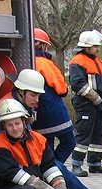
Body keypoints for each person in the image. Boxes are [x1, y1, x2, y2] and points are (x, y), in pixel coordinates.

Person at [0, 69, 102, 189]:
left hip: (24, 161)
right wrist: (5, 161)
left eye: (38, 95)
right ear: (22, 92)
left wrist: (57, 183)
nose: (37, 100)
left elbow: (28, 141)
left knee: (54, 169)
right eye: (34, 95)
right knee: (51, 173)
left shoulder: (20, 104)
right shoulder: (7, 109)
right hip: (9, 164)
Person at [0, 98, 66, 189]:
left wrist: (59, 185)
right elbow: (11, 173)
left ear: (24, 121)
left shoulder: (38, 139)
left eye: (17, 123)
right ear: (3, 126)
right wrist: (40, 186)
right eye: (9, 125)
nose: (15, 128)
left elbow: (48, 165)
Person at [69, 30, 102, 177]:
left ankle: (95, 163)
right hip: (85, 103)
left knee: (98, 133)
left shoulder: (99, 61)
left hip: (98, 104)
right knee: (83, 133)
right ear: (87, 47)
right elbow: (78, 84)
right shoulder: (77, 61)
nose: (98, 49)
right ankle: (76, 165)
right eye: (95, 46)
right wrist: (96, 98)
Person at [32, 27, 75, 163]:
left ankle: (49, 171)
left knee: (46, 149)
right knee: (69, 142)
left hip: (37, 115)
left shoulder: (27, 61)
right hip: (53, 112)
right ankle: (54, 169)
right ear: (44, 45)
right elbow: (62, 89)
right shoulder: (45, 63)